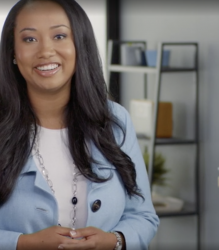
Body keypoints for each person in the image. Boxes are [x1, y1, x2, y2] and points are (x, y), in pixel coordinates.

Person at [0, 0, 160, 250]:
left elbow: (143, 216)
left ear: (80, 45)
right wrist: (22, 244)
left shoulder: (114, 120)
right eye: (30, 39)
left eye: (60, 35)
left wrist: (114, 241)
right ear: (12, 52)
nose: (46, 51)